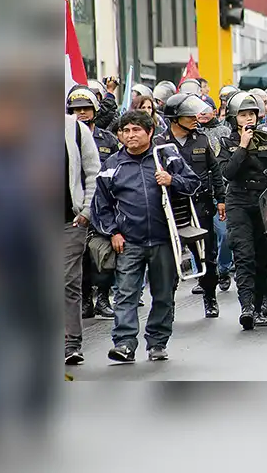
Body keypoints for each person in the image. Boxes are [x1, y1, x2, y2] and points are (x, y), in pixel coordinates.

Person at [92, 110, 201, 362]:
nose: (130, 135)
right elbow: (101, 205)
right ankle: (124, 344)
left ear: (150, 132)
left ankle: (157, 342)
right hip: (129, 242)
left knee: (163, 294)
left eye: (136, 130)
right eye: (126, 131)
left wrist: (172, 180)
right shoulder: (112, 165)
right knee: (125, 294)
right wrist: (113, 232)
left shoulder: (166, 156)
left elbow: (193, 183)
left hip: (164, 239)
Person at [154, 93, 225, 318]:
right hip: (173, 208)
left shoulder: (201, 139)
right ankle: (169, 303)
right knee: (171, 257)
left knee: (207, 253)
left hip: (201, 205)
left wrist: (221, 199)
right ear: (175, 119)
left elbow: (215, 170)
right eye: (189, 116)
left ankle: (210, 296)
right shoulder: (160, 143)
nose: (195, 119)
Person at [217, 92, 267, 329]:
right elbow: (227, 173)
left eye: (252, 114)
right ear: (234, 118)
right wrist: (242, 146)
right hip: (239, 202)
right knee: (244, 255)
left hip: (265, 204)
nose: (248, 119)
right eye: (243, 115)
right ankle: (246, 306)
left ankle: (260, 305)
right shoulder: (226, 143)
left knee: (262, 257)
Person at [66, 87, 121, 319]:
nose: (81, 113)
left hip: (105, 205)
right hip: (77, 206)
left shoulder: (108, 139)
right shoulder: (67, 137)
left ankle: (104, 298)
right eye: (76, 109)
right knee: (81, 259)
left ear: (95, 110)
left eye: (86, 108)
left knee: (105, 254)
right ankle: (86, 299)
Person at [65, 113, 101, 365]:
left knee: (67, 281)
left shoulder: (76, 130)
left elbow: (93, 172)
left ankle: (71, 343)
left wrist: (87, 210)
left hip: (70, 221)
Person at [196, 101, 234, 292]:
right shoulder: (193, 134)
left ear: (214, 111)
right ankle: (202, 275)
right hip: (199, 193)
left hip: (222, 192)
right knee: (199, 237)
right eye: (198, 110)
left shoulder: (225, 132)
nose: (202, 114)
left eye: (206, 110)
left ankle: (224, 269)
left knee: (225, 234)